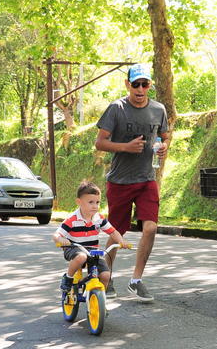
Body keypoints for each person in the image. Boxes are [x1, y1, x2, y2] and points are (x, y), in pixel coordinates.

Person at [95, 63, 169, 303]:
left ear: (149, 85)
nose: (140, 89)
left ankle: (136, 281)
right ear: (127, 84)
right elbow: (100, 142)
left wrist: (163, 147)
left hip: (147, 179)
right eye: (135, 84)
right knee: (117, 231)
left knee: (151, 228)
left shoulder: (158, 109)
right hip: (120, 181)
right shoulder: (116, 109)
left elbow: (165, 136)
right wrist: (125, 147)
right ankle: (106, 276)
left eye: (144, 84)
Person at [53, 181, 129, 293]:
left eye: (97, 202)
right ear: (79, 202)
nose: (95, 206)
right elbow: (56, 234)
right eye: (91, 202)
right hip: (74, 247)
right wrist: (60, 239)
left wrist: (121, 241)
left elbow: (113, 232)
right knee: (81, 257)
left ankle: (100, 298)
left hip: (92, 250)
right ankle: (68, 278)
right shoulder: (72, 219)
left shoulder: (99, 218)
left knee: (106, 275)